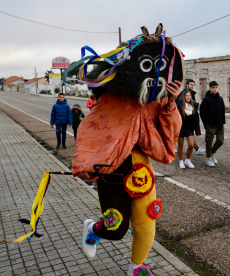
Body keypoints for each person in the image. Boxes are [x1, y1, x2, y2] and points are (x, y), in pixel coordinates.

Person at [70, 23, 184, 275]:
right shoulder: (111, 100)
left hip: (142, 170)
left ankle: (137, 267)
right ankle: (92, 229)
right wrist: (86, 164)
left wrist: (171, 103)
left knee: (146, 223)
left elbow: (170, 134)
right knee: (116, 228)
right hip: (111, 169)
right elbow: (89, 132)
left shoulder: (158, 101)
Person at [200, 81, 225, 167]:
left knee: (220, 141)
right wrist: (206, 124)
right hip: (210, 125)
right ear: (210, 88)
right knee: (209, 142)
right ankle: (208, 158)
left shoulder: (220, 99)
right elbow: (202, 113)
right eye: (213, 87)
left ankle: (212, 153)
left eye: (216, 87)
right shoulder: (206, 99)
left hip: (219, 124)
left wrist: (223, 122)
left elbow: (223, 111)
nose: (215, 89)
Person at [176, 79, 205, 155]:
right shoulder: (182, 94)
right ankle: (196, 149)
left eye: (193, 85)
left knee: (190, 139)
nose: (192, 86)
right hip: (182, 122)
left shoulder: (192, 94)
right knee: (180, 142)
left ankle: (196, 149)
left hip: (189, 120)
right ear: (187, 85)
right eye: (191, 84)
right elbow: (178, 105)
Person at [177, 91, 201, 168]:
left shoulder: (194, 105)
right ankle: (181, 161)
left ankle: (187, 160)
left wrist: (197, 130)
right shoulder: (179, 106)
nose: (188, 97)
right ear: (183, 97)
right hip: (180, 128)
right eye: (186, 96)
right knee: (180, 145)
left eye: (189, 95)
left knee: (191, 145)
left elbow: (196, 119)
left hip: (189, 129)